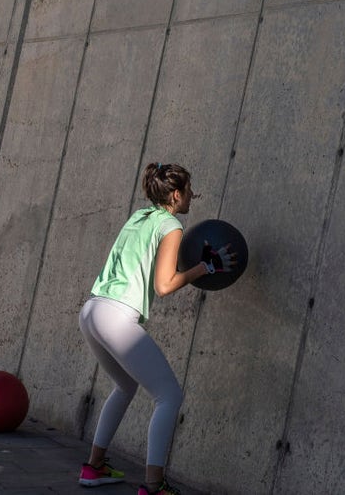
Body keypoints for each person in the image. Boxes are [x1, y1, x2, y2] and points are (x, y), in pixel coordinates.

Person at [77, 163, 236, 495]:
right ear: (177, 195)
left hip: (92, 310)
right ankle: (153, 485)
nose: (194, 195)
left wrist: (196, 261)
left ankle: (93, 467)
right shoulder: (172, 225)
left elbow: (148, 259)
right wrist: (206, 267)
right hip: (116, 317)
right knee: (169, 396)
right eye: (190, 189)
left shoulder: (139, 217)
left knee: (124, 386)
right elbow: (164, 285)